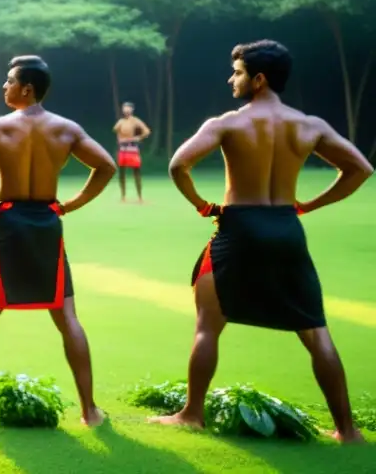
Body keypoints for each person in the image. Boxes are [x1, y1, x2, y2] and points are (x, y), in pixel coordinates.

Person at [150, 40, 372, 444]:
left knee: (208, 325)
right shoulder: (310, 125)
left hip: (238, 228)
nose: (230, 79)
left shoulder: (228, 123)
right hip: (286, 227)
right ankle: (347, 430)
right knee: (315, 330)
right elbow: (360, 168)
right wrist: (310, 206)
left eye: (236, 72)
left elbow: (178, 163)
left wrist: (204, 206)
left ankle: (192, 414)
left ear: (259, 78)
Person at [0, 55, 116, 427]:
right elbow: (106, 167)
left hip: (7, 223)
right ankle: (90, 411)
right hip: (47, 223)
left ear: (27, 89)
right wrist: (69, 205)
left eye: (9, 81)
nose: (4, 87)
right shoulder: (66, 129)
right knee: (67, 316)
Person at [113, 102, 151, 203]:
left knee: (136, 172)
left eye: (128, 108)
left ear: (132, 109)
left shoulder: (135, 121)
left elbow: (146, 131)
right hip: (122, 149)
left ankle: (140, 197)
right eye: (124, 108)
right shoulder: (120, 122)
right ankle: (123, 196)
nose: (126, 110)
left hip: (132, 149)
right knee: (121, 172)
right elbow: (116, 131)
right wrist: (120, 139)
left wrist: (137, 138)